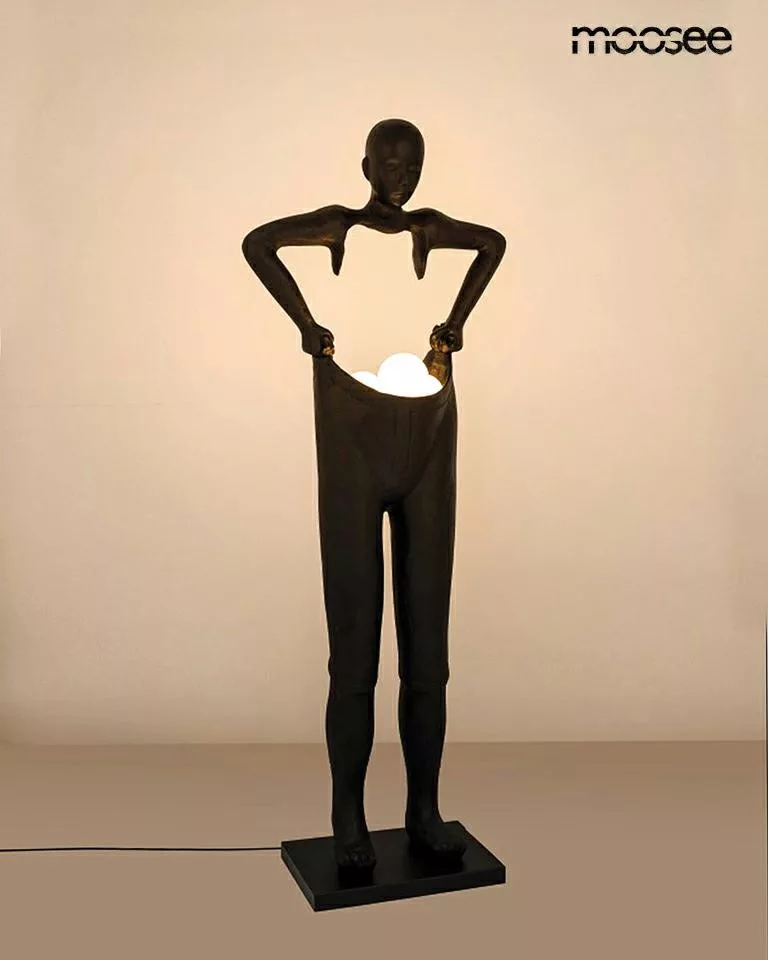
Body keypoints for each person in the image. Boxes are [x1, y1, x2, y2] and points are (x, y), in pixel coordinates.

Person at [242, 119, 506, 871]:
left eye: (412, 166)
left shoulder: (432, 229)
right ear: (365, 165)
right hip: (351, 432)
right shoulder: (336, 226)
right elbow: (258, 243)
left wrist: (453, 327)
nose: (401, 178)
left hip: (427, 430)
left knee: (429, 650)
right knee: (354, 648)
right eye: (389, 165)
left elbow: (493, 243)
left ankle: (423, 809)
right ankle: (349, 815)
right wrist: (307, 326)